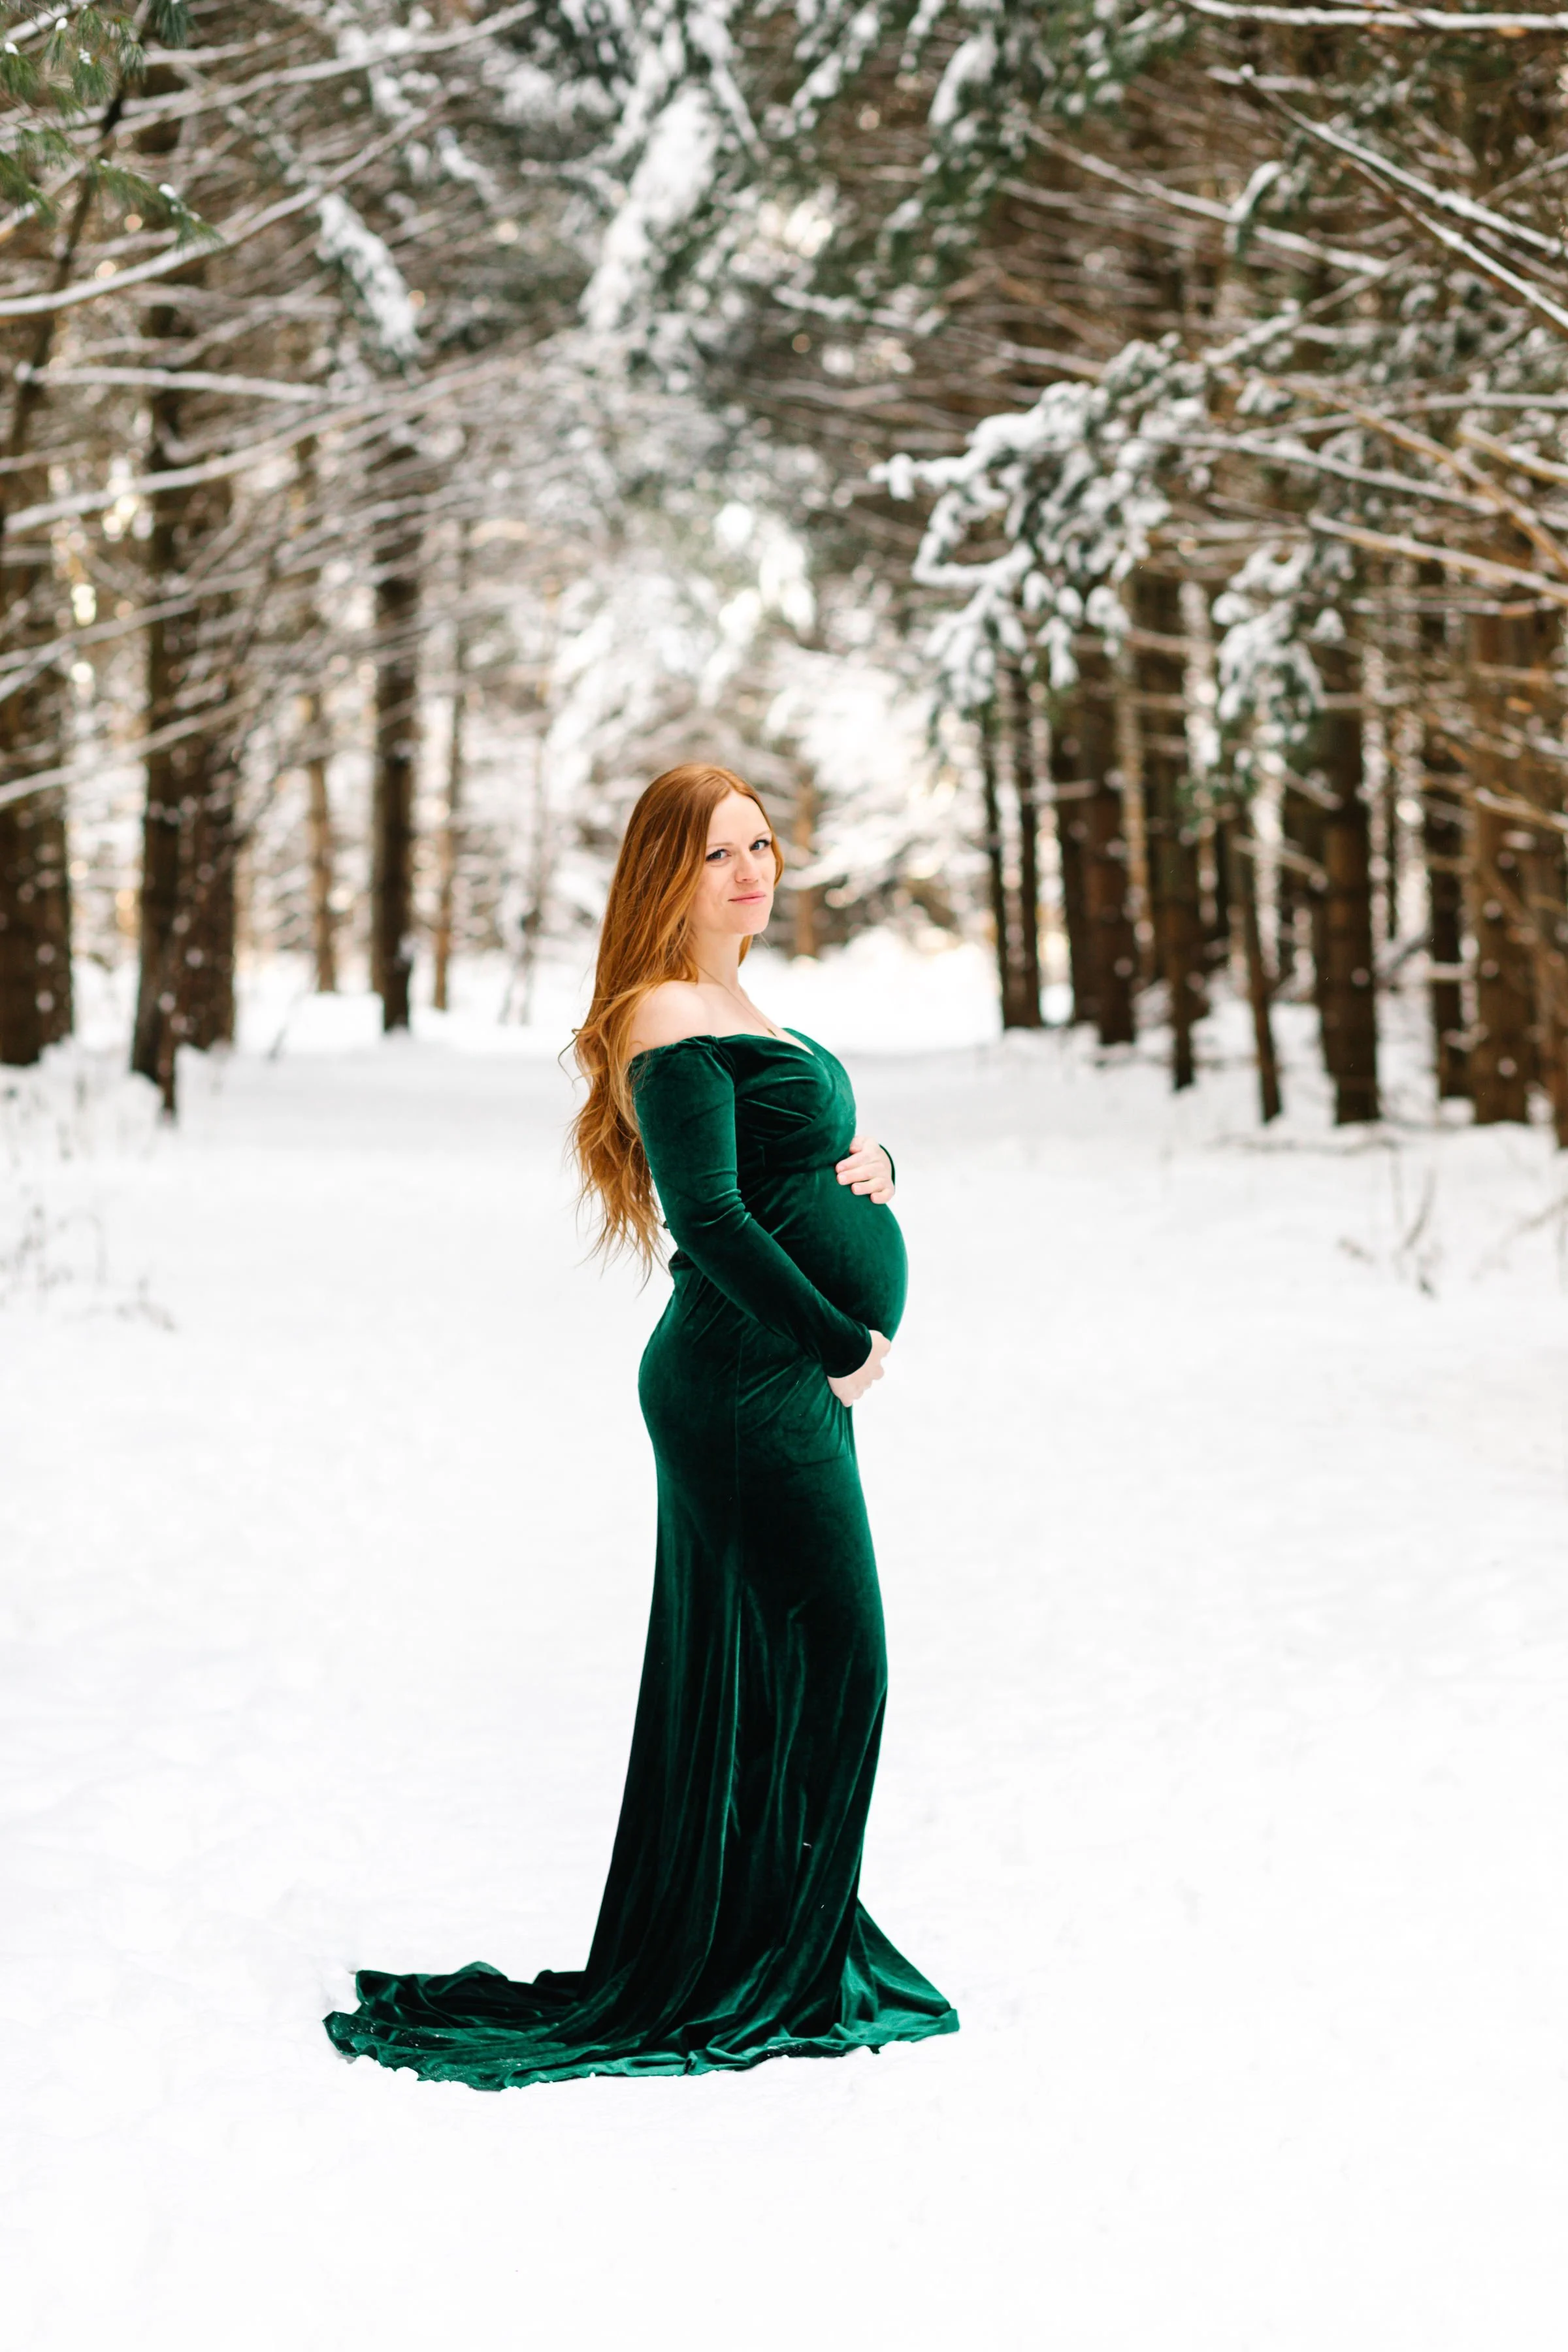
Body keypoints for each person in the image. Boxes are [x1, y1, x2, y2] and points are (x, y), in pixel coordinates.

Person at [323, 762, 956, 2088]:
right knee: (842, 1666)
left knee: (769, 1676)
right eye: (718, 852)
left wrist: (884, 1170)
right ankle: (774, 1961)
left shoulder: (735, 1003)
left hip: (772, 1380)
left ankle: (763, 1940)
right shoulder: (667, 1011)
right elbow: (711, 1218)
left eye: (763, 844)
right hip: (746, 1386)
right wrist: (842, 1339)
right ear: (665, 872)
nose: (750, 871)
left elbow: (787, 1171)